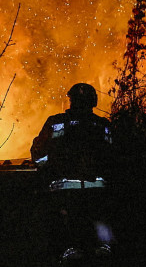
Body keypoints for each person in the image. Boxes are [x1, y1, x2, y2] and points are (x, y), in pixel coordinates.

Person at [30, 83, 114, 265]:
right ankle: (105, 250)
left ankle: (67, 252)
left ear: (71, 100)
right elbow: (111, 157)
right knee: (100, 233)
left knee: (61, 231)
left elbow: (38, 152)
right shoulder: (103, 125)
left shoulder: (56, 122)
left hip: (63, 192)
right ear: (94, 102)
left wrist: (48, 169)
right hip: (97, 192)